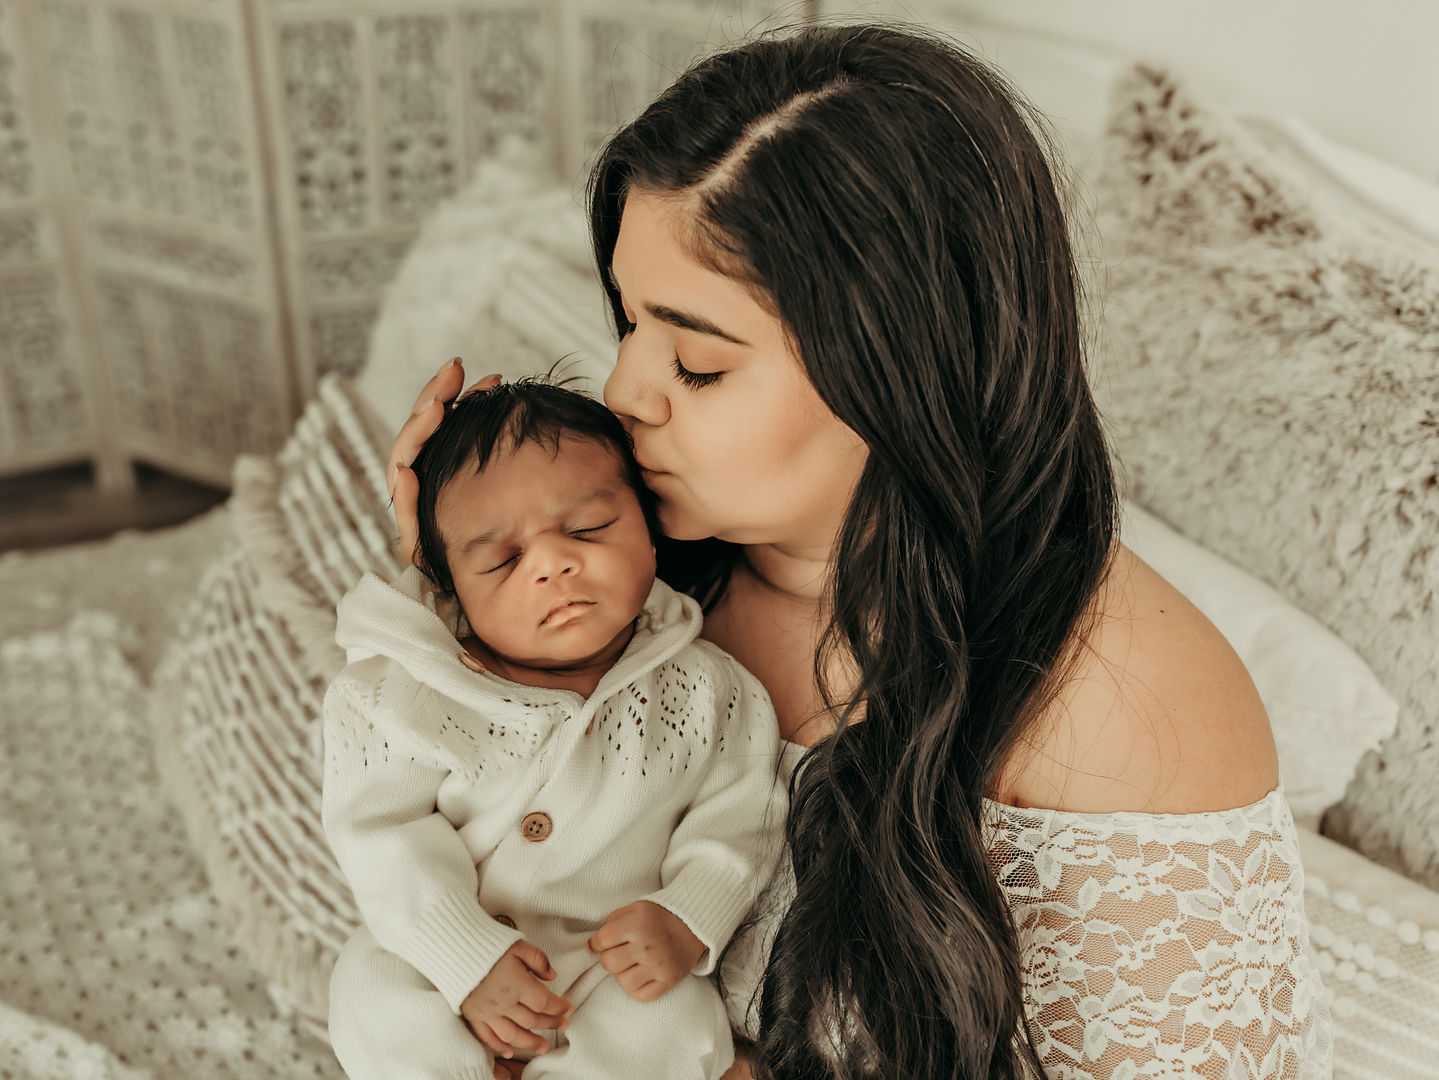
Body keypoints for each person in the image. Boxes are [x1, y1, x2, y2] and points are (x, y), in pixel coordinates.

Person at [384, 22, 1331, 1080]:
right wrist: (451, 589)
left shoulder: (1122, 713)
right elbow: (423, 827)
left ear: (898, 373)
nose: (623, 393)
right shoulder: (637, 574)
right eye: (627, 326)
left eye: (694, 364)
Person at [323, 378, 787, 1079]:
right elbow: (379, 833)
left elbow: (740, 816)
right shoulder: (406, 690)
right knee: (372, 991)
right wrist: (464, 958)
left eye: (589, 528)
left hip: (608, 955)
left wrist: (686, 916)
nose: (553, 564)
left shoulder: (706, 689)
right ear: (450, 588)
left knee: (670, 1022)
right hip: (444, 947)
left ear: (648, 525)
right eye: (503, 560)